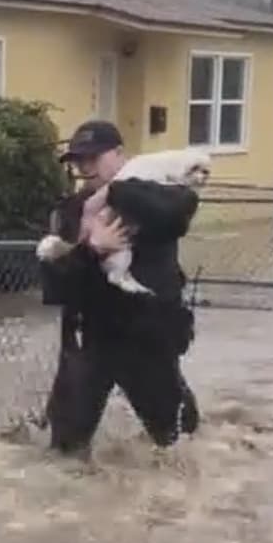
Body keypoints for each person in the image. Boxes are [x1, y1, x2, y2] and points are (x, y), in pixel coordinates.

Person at [37, 120, 202, 456]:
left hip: (146, 339)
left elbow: (177, 213)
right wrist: (91, 249)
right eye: (78, 161)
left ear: (120, 154)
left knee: (181, 442)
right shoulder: (70, 212)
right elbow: (55, 286)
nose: (85, 168)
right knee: (64, 453)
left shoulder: (160, 197)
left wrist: (110, 193)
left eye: (93, 158)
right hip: (89, 338)